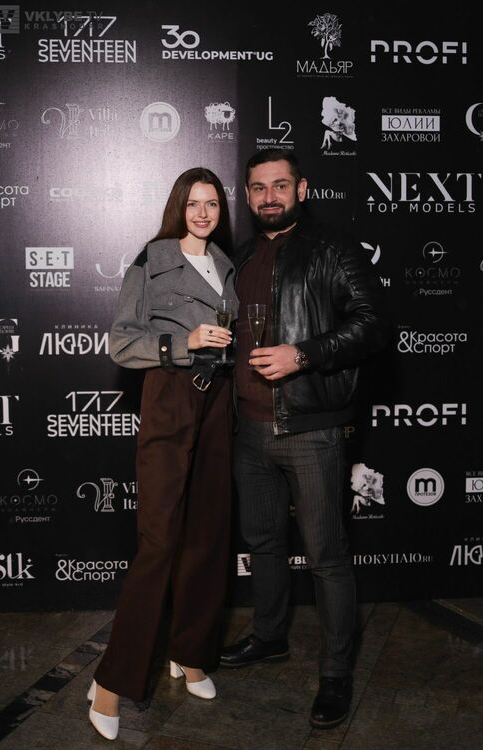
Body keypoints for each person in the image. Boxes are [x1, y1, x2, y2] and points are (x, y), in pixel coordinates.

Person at [220, 150, 389, 729]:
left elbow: (373, 325)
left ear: (302, 189)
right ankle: (269, 636)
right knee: (264, 544)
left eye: (280, 185)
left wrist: (304, 354)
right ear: (247, 195)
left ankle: (336, 674)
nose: (269, 197)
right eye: (258, 188)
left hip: (310, 430)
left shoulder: (332, 248)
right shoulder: (241, 256)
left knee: (326, 557)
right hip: (248, 429)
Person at [88, 167, 238, 741]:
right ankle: (110, 682)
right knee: (159, 545)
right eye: (193, 203)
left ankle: (189, 653)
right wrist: (184, 341)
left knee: (208, 538)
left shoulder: (226, 265)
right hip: (171, 397)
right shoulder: (151, 260)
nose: (203, 213)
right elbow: (122, 343)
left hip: (218, 403)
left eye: (212, 204)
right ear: (179, 206)